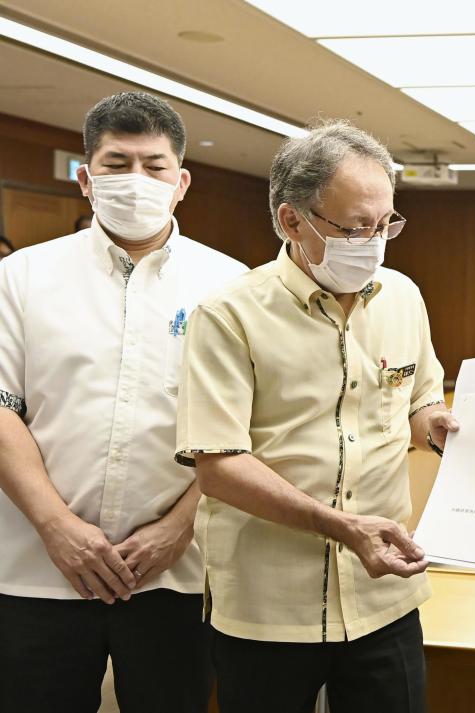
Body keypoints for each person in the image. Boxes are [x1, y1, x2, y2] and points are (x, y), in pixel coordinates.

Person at [175, 118, 455, 713]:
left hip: (385, 595)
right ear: (291, 220)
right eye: (355, 227)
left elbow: (420, 401)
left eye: (385, 225)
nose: (373, 243)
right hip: (268, 606)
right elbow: (219, 466)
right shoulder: (228, 315)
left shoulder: (402, 295)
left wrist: (441, 429)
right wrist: (343, 528)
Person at [0, 91, 247, 713]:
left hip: (177, 572)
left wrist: (177, 528)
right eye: (116, 164)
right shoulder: (22, 277)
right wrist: (58, 529)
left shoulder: (234, 287)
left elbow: (251, 427)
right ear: (85, 179)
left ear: (181, 181)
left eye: (154, 165)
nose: (135, 179)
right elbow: (3, 408)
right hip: (36, 569)